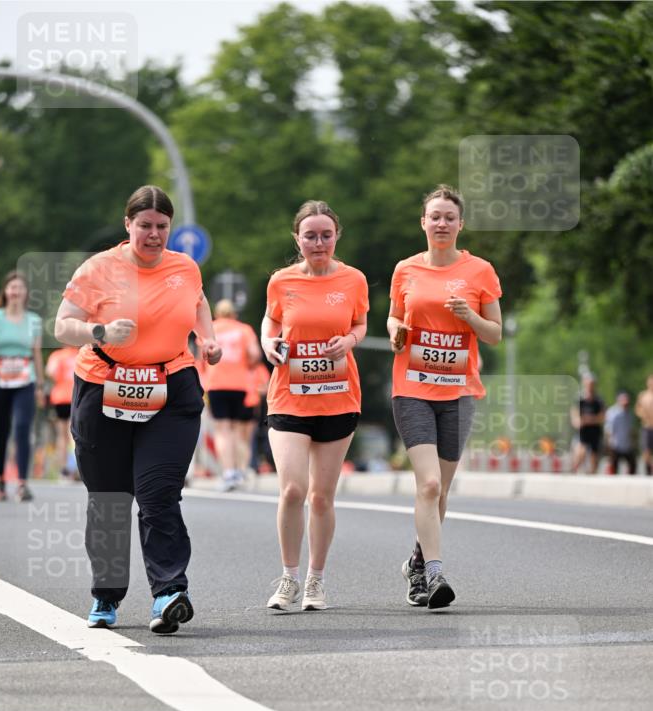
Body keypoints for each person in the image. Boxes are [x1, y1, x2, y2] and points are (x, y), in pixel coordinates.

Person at [54, 185, 222, 634]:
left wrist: (207, 338)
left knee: (158, 493)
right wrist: (101, 330)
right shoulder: (99, 268)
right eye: (144, 226)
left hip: (171, 387)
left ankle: (169, 592)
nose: (153, 235)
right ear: (128, 225)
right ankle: (106, 595)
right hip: (103, 387)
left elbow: (198, 301)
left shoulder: (184, 266)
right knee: (109, 499)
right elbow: (62, 324)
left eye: (161, 227)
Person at [388, 186, 502, 609]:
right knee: (429, 483)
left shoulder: (480, 271)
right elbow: (395, 315)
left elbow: (494, 332)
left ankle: (416, 563)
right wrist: (395, 330)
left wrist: (468, 316)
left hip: (458, 392)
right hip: (413, 388)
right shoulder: (406, 270)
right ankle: (435, 574)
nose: (441, 223)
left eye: (448, 217)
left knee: (443, 490)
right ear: (423, 222)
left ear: (460, 225)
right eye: (434, 216)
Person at [261, 199, 369, 611]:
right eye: (310, 236)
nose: (318, 242)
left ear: (336, 236)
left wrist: (351, 340)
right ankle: (288, 577)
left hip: (339, 395)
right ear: (298, 239)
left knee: (321, 496)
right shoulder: (281, 281)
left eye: (326, 235)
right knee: (292, 489)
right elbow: (271, 320)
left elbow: (359, 322)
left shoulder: (354, 280)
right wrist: (268, 342)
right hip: (290, 394)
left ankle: (315, 581)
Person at [0, 271, 44, 501]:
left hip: (24, 379)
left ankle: (22, 483)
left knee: (22, 428)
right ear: (6, 291)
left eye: (20, 288)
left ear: (26, 293)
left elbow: (37, 354)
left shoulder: (34, 321)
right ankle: (0, 480)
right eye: (12, 287)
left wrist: (40, 384)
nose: (16, 292)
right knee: (0, 433)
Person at [202, 298, 261, 490]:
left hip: (216, 384)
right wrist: (246, 365)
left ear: (217, 313)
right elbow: (254, 355)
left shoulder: (210, 328)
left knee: (222, 429)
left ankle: (228, 472)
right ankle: (240, 471)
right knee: (237, 430)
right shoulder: (244, 330)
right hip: (240, 385)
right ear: (234, 313)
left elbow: (200, 358)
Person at [45, 345, 79, 477]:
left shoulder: (57, 355)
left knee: (62, 435)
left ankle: (64, 468)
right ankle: (76, 467)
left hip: (60, 398)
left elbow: (50, 372)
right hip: (75, 397)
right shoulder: (79, 354)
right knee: (75, 435)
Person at [570, 374, 605, 474]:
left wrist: (589, 419)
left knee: (594, 455)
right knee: (581, 452)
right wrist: (577, 421)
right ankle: (574, 470)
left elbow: (602, 416)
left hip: (595, 430)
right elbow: (574, 413)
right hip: (583, 431)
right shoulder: (580, 399)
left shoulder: (598, 400)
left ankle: (592, 474)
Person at [605, 391, 636, 475]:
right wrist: (609, 443)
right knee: (614, 466)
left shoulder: (630, 414)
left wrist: (633, 442)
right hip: (615, 444)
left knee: (633, 465)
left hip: (627, 444)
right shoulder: (612, 413)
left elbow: (631, 430)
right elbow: (608, 430)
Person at [635, 373, 653, 476]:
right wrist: (644, 415)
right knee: (646, 450)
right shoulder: (643, 395)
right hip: (646, 426)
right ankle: (648, 470)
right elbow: (637, 409)